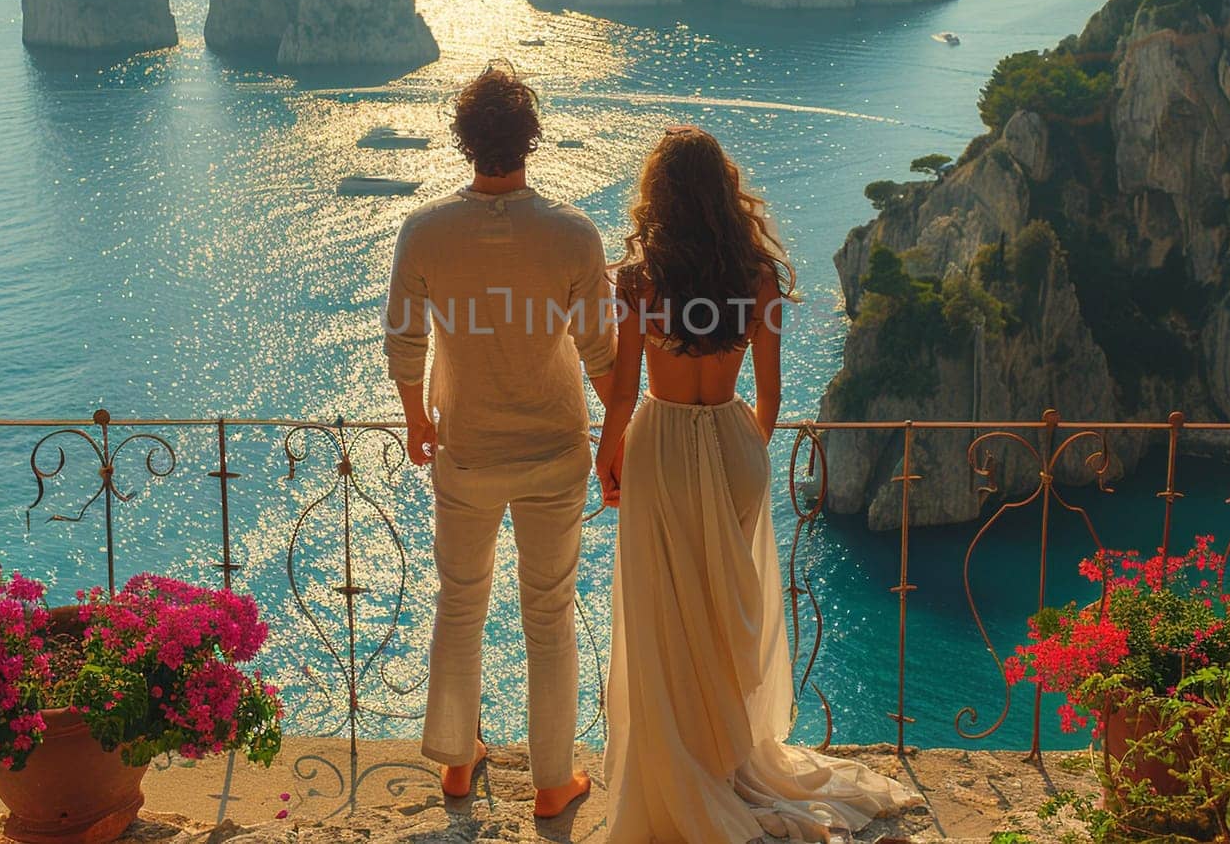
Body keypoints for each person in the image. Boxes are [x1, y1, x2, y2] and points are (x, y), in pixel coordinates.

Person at [595, 126, 921, 842]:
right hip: (737, 443)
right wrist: (737, 450)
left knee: (664, 616)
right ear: (724, 192)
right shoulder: (757, 277)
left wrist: (608, 455)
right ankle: (727, 754)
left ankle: (682, 762)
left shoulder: (638, 279)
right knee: (722, 607)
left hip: (661, 446)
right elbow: (769, 395)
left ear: (659, 193)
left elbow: (622, 393)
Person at [385, 62, 612, 818]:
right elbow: (604, 358)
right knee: (548, 615)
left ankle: (456, 763)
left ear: (463, 141)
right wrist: (619, 447)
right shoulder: (573, 234)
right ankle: (552, 784)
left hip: (468, 450)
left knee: (460, 604)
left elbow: (404, 340)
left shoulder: (425, 232)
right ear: (531, 139)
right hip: (555, 452)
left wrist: (418, 416)